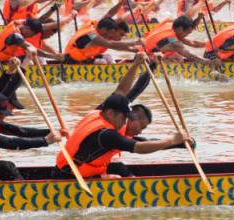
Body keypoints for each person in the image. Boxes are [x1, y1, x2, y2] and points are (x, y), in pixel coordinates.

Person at [51, 53, 194, 180]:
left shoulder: (103, 111)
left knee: (119, 167)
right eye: (123, 117)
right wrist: (172, 140)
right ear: (110, 113)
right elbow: (139, 147)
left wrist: (145, 64)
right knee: (119, 174)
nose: (125, 121)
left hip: (74, 170)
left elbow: (124, 90)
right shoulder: (106, 134)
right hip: (68, 177)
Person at [144, 14, 219, 65]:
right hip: (147, 58)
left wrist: (211, 44)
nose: (187, 35)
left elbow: (192, 42)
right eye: (187, 33)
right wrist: (211, 62)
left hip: (146, 49)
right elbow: (190, 56)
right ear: (180, 29)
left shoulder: (171, 25)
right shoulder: (174, 42)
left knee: (175, 55)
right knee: (178, 58)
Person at [64, 17, 142, 64]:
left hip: (85, 57)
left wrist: (137, 50)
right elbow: (111, 44)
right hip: (72, 60)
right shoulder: (92, 35)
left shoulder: (96, 26)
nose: (110, 35)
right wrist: (135, 42)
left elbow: (109, 14)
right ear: (104, 30)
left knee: (108, 57)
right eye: (110, 32)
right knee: (102, 62)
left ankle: (114, 69)